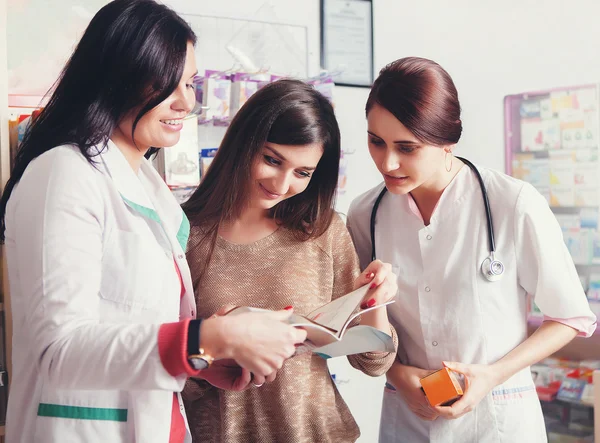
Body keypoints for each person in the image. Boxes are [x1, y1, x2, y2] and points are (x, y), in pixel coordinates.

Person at [0, 1, 306, 442]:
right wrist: (210, 337)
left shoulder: (149, 188)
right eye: (167, 84)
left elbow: (139, 333)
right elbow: (59, 350)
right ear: (116, 78)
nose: (187, 102)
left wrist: (205, 358)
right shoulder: (63, 175)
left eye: (190, 83)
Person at [347, 57, 597, 443]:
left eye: (407, 147)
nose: (387, 162)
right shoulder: (367, 214)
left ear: (447, 141)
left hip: (498, 415)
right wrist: (399, 374)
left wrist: (492, 376)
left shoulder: (512, 203)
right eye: (376, 141)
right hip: (408, 416)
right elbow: (358, 321)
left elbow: (570, 317)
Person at [181, 78, 399, 443]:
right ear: (244, 143)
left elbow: (374, 363)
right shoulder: (187, 234)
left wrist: (375, 298)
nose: (282, 184)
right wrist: (221, 348)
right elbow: (170, 371)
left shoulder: (324, 231)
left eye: (303, 173)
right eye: (272, 160)